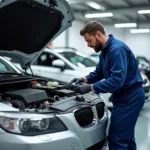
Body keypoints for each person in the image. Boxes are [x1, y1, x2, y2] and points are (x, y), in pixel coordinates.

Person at [69, 20, 145, 150]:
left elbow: (116, 80)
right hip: (124, 97)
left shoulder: (116, 49)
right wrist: (84, 79)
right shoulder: (105, 50)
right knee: (127, 138)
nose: (88, 45)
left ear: (98, 35)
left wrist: (91, 87)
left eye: (89, 40)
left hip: (129, 98)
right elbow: (99, 72)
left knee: (117, 140)